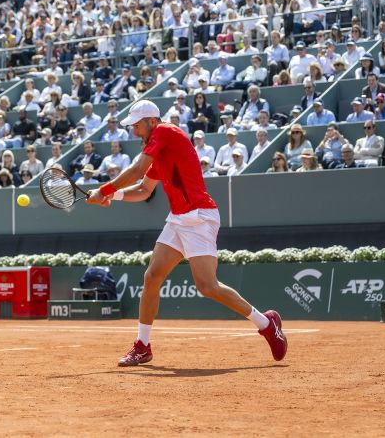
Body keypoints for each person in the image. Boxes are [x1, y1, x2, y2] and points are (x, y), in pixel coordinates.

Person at [86, 100, 287, 366]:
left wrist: (104, 191)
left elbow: (135, 170)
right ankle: (142, 346)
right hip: (178, 219)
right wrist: (115, 196)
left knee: (207, 286)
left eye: (137, 125)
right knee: (152, 276)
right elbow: (145, 190)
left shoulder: (166, 132)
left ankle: (266, 323)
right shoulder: (159, 151)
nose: (135, 132)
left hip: (200, 217)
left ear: (151, 121)